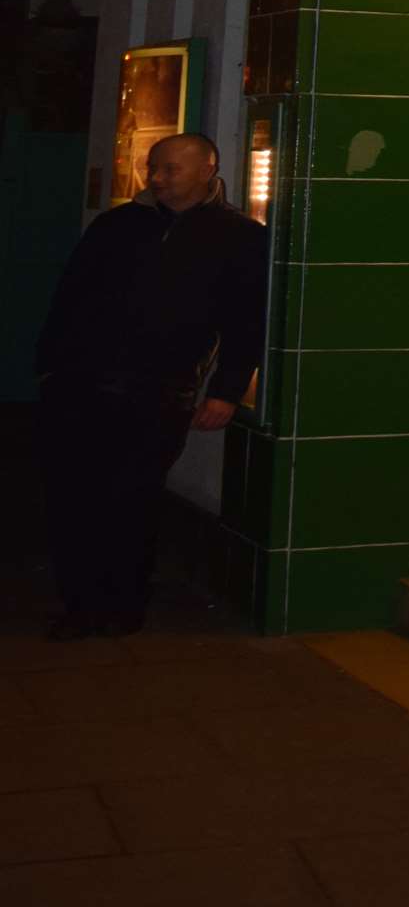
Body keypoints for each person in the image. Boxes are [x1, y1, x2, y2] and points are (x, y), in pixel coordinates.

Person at [35, 132, 268, 639]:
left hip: (160, 392)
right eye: (154, 167)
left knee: (131, 498)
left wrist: (226, 390)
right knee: (73, 494)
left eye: (171, 169)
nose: (157, 178)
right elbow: (71, 297)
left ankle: (122, 604)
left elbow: (246, 322)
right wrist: (50, 367)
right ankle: (80, 602)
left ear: (208, 170)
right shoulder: (117, 226)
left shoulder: (240, 237)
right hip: (81, 386)